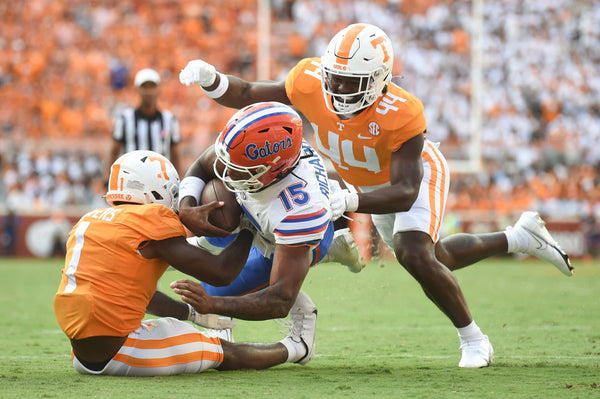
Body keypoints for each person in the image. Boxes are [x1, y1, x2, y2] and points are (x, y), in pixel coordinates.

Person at [177, 23, 574, 368]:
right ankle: (520, 237)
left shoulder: (403, 112)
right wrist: (213, 80)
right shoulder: (311, 80)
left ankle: (474, 339)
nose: (339, 88)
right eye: (334, 77)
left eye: (352, 82)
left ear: (382, 78)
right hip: (365, 184)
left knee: (413, 251)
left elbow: (404, 191)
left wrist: (351, 201)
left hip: (407, 178)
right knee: (437, 258)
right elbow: (249, 91)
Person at [53, 150, 316, 376]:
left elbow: (131, 293)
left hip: (82, 356)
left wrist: (194, 315)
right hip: (121, 352)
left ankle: (205, 331)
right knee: (224, 353)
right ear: (155, 189)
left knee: (182, 331)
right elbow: (221, 274)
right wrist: (247, 227)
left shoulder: (89, 221)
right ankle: (297, 348)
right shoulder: (150, 218)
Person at [172, 102, 341, 333]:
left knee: (213, 289)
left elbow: (280, 299)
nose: (226, 171)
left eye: (239, 167)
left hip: (285, 241)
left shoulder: (301, 212)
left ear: (271, 169)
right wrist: (186, 206)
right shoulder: (266, 146)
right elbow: (203, 164)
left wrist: (214, 305)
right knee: (217, 222)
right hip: (257, 214)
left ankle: (324, 251)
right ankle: (233, 235)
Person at [107, 68, 182, 177]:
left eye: (152, 86)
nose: (148, 91)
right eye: (144, 87)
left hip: (161, 179)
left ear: (158, 89)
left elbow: (175, 154)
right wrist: (109, 178)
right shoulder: (124, 118)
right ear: (137, 89)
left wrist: (179, 178)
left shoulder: (169, 119)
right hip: (131, 179)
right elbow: (114, 151)